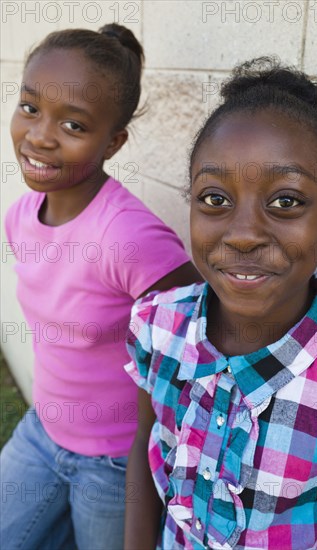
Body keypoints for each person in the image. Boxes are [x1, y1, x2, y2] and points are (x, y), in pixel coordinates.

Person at [124, 57, 317, 549]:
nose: (245, 234)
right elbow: (144, 450)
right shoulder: (158, 324)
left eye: (285, 201)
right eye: (215, 199)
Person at [0, 23, 200, 550]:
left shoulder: (129, 237)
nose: (41, 135)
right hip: (43, 433)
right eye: (29, 108)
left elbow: (196, 332)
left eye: (72, 124)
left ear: (113, 141)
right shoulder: (21, 217)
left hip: (112, 463)